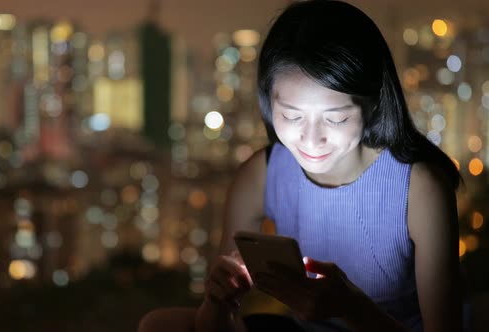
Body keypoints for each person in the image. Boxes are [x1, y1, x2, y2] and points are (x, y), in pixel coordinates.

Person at [138, 0, 464, 331]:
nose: (311, 139)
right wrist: (218, 301)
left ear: (373, 101)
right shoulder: (262, 174)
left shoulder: (418, 187)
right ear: (268, 103)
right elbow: (215, 327)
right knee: (159, 324)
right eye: (292, 116)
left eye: (335, 118)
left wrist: (351, 307)